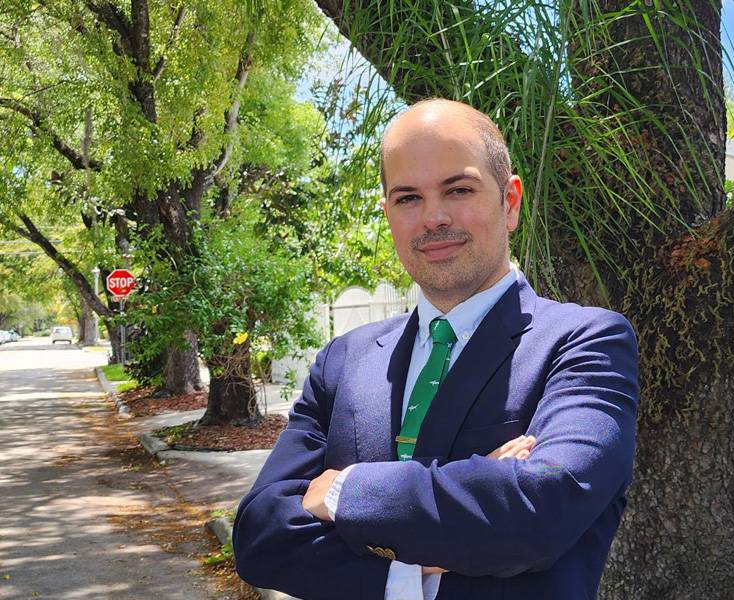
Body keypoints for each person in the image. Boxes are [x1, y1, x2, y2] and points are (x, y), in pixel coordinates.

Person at [232, 98, 639, 600]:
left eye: (459, 189)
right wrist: (465, 512)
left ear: (509, 202)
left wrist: (343, 491)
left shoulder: (584, 343)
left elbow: (540, 512)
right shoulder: (344, 359)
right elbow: (260, 535)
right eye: (408, 198)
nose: (433, 217)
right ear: (388, 215)